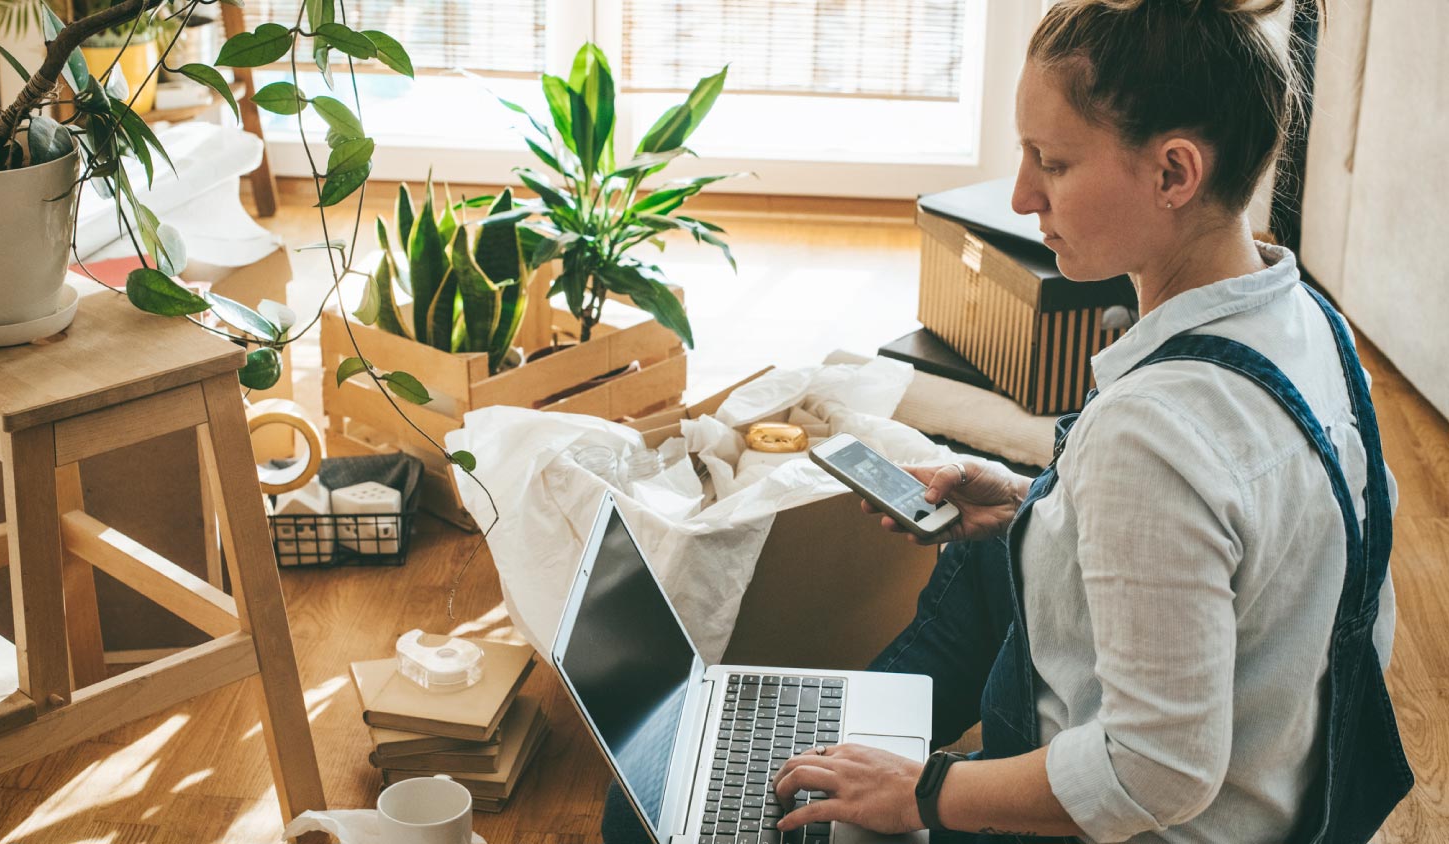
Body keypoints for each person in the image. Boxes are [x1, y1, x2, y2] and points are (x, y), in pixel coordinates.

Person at [603, 0, 1413, 841]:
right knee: (1000, 548)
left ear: (1175, 173)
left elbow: (1158, 771)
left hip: (1158, 821)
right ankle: (835, 751)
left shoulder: (1154, 434)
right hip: (1290, 789)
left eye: (1051, 163)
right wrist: (1045, 504)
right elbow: (1251, 553)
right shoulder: (1312, 323)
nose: (1023, 195)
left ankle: (830, 780)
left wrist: (923, 794)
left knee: (637, 818)